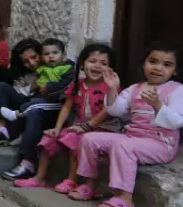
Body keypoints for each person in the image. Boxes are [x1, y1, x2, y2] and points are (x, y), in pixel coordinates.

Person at [71, 41, 183, 207]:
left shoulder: (177, 90)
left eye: (167, 64)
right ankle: (89, 185)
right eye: (153, 61)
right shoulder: (135, 88)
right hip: (132, 138)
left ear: (175, 70)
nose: (158, 68)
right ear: (144, 63)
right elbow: (115, 110)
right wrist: (112, 89)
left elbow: (177, 121)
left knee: (123, 145)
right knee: (89, 138)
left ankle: (125, 198)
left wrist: (158, 105)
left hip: (160, 144)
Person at [15, 43, 120, 192]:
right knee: (49, 138)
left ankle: (71, 180)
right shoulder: (78, 84)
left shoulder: (109, 87)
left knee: (72, 139)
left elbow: (107, 110)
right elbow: (67, 107)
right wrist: (57, 128)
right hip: (80, 126)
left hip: (102, 128)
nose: (97, 66)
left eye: (103, 63)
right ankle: (40, 178)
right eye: (92, 61)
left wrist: (87, 126)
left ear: (110, 68)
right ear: (82, 64)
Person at [0, 39, 78, 181]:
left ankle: (27, 162)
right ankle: (5, 130)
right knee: (28, 103)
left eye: (55, 53)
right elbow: (34, 88)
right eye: (47, 54)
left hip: (56, 105)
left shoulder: (68, 68)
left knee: (33, 109)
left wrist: (47, 87)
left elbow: (66, 86)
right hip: (40, 102)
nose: (51, 56)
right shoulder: (43, 70)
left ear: (63, 54)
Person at [0, 38, 42, 146]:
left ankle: (2, 114)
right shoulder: (20, 72)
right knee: (0, 86)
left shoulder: (49, 70)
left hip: (33, 105)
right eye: (25, 61)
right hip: (18, 103)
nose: (31, 63)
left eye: (34, 57)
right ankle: (1, 130)